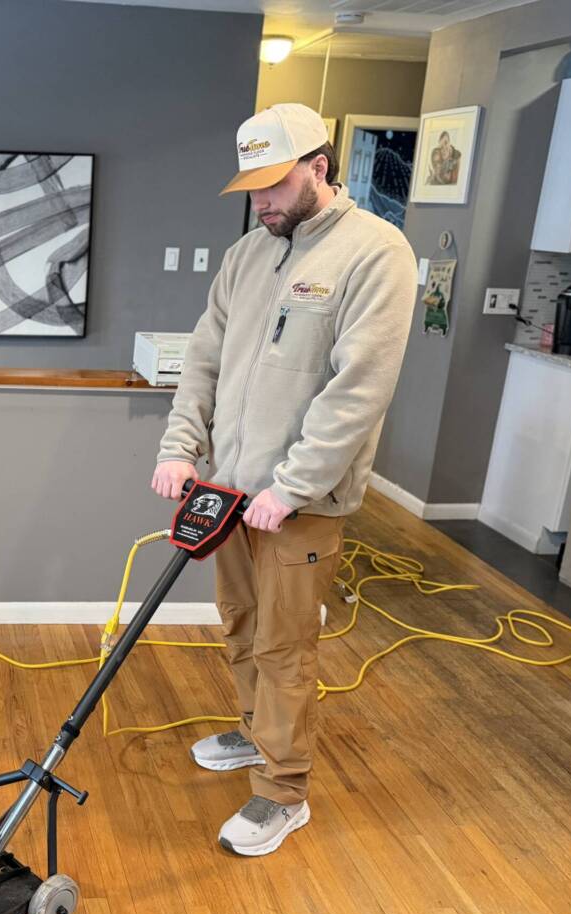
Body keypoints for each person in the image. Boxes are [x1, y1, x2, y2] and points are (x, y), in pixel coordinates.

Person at [151, 104, 417, 857]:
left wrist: (292, 485)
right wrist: (181, 448)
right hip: (231, 493)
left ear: (319, 168)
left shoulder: (375, 253)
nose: (260, 202)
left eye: (274, 184)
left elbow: (359, 388)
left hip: (298, 504)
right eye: (251, 189)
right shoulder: (246, 257)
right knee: (238, 624)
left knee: (285, 648)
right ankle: (254, 734)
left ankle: (283, 790)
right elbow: (203, 360)